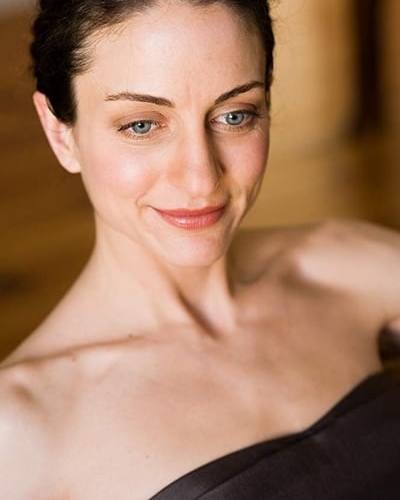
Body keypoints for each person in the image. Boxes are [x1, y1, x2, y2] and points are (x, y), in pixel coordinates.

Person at [1, 1, 399, 498]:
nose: (200, 178)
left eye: (235, 115)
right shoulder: (20, 432)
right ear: (60, 133)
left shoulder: (340, 265)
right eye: (142, 125)